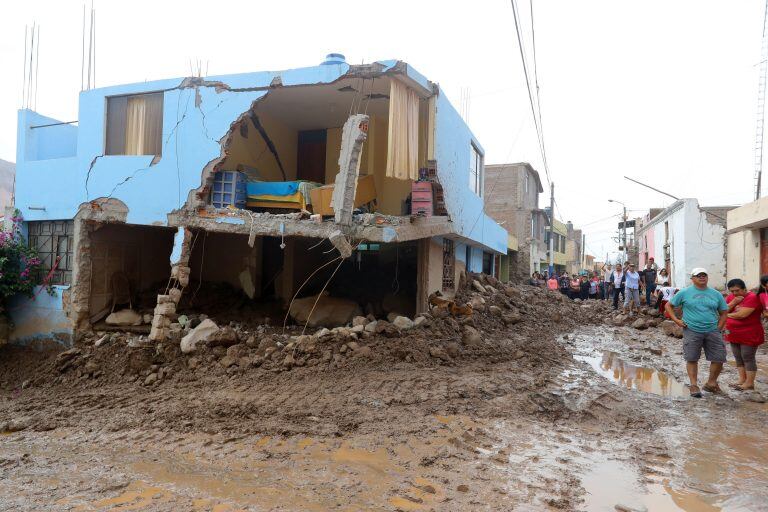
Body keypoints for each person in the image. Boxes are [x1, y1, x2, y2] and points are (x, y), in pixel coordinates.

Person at [665, 268, 728, 398]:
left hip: (712, 330)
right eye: (698, 275)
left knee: (719, 357)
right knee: (692, 357)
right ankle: (694, 385)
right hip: (692, 329)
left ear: (707, 277)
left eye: (704, 275)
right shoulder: (685, 292)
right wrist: (676, 320)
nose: (701, 277)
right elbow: (668, 305)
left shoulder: (716, 294)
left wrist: (720, 327)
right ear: (692, 278)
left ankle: (711, 383)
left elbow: (724, 311)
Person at [724, 278, 764, 391]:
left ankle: (749, 383)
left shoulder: (752, 297)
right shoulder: (732, 297)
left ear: (744, 288)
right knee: (738, 357)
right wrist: (733, 303)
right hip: (733, 333)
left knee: (747, 356)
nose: (735, 293)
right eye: (732, 291)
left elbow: (742, 315)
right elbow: (722, 310)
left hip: (749, 332)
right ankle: (742, 380)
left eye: (737, 290)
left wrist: (727, 315)